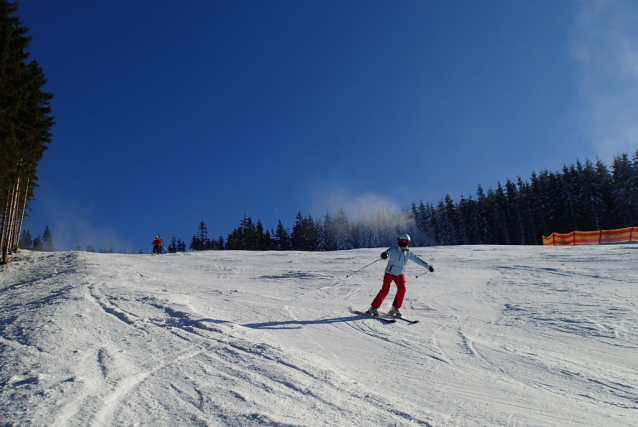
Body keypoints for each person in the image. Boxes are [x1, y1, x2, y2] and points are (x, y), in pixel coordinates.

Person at [366, 233, 434, 318]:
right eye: (404, 241)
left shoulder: (408, 253)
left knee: (402, 289)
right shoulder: (394, 249)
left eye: (407, 242)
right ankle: (373, 307)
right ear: (400, 241)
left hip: (399, 273)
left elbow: (418, 260)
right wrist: (384, 255)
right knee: (385, 290)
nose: (405, 243)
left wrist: (428, 266)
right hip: (389, 272)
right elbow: (387, 253)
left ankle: (395, 308)